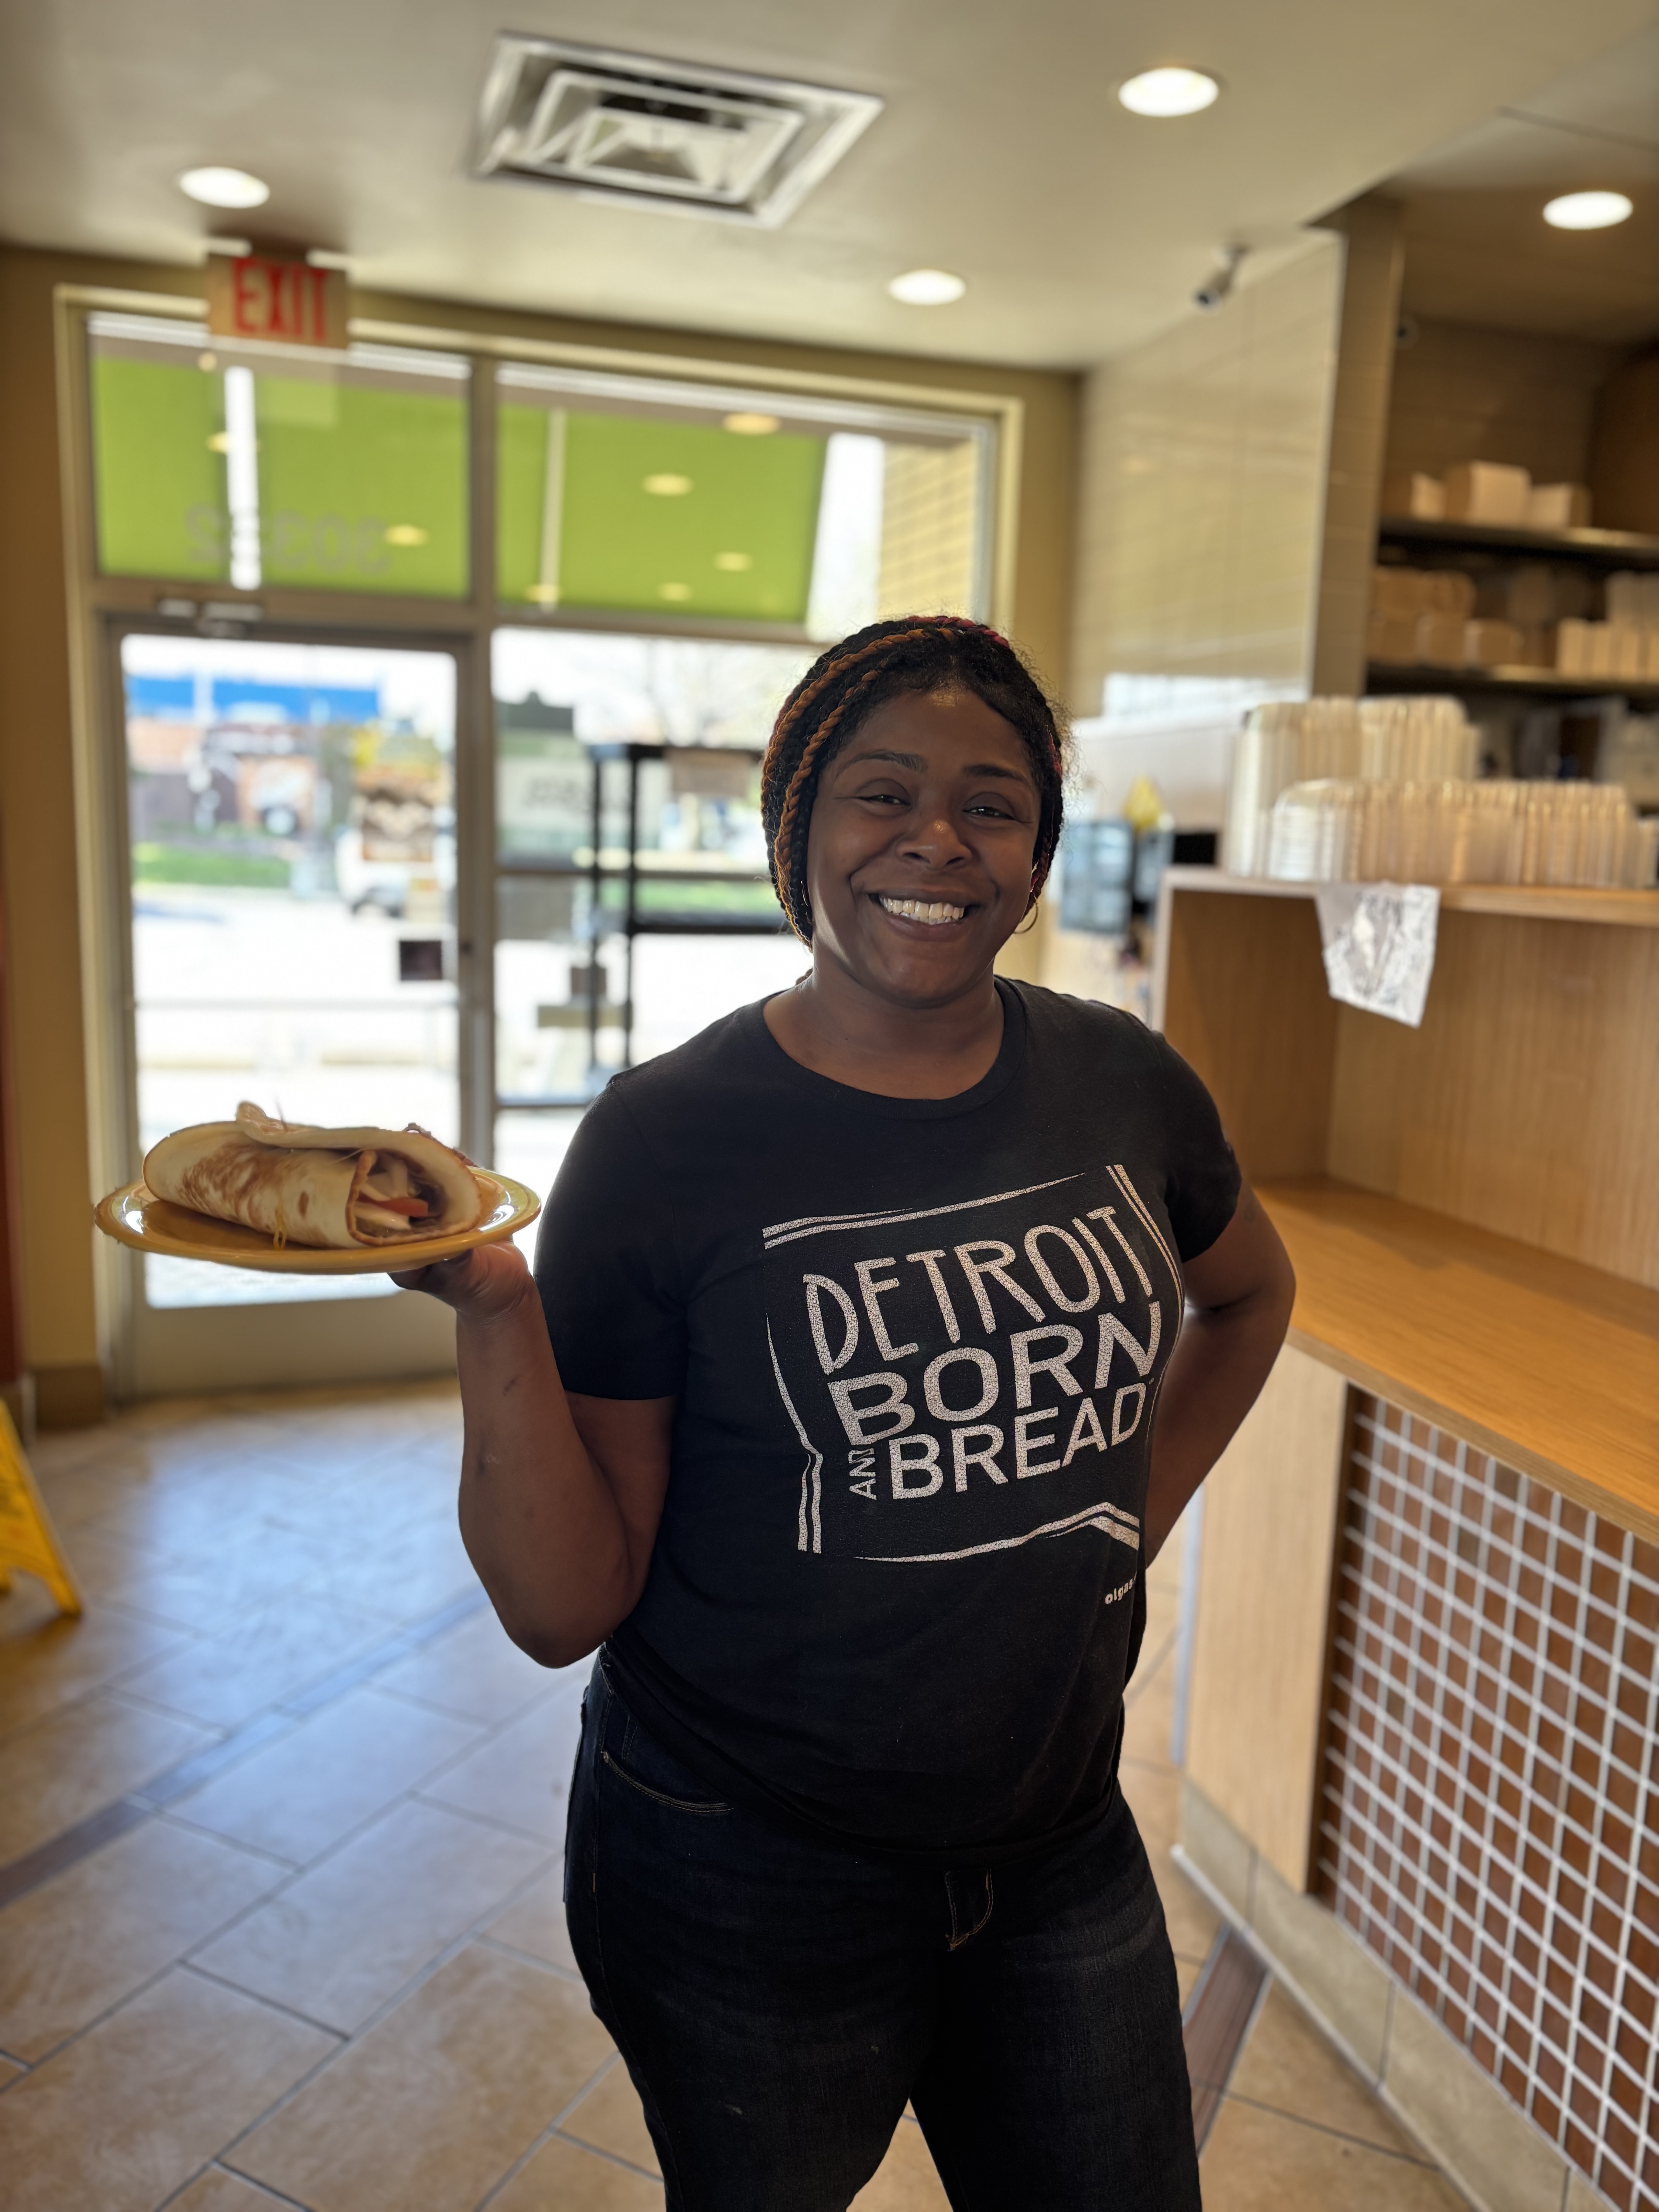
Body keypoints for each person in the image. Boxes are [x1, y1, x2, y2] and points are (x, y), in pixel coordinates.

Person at [399, 616, 1295, 2211]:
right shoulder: (665, 1138)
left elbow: (1249, 1295)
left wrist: (1122, 1502)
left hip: (1057, 1835)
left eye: (992, 801)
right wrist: (495, 1309)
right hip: (745, 1862)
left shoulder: (1124, 1083)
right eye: (880, 792)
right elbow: (562, 1607)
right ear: (795, 827)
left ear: (1036, 852)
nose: (937, 840)